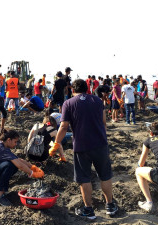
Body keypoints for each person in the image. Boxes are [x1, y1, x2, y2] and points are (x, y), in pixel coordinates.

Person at [49, 79, 118, 219]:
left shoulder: (68, 103)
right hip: (100, 144)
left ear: (72, 90)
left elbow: (63, 126)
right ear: (87, 89)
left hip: (81, 145)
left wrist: (56, 143)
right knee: (105, 175)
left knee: (84, 178)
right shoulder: (98, 101)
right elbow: (104, 123)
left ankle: (89, 210)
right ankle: (110, 205)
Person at [0, 130, 44, 206]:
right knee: (9, 165)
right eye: (15, 142)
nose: (16, 144)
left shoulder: (2, 146)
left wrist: (33, 167)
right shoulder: (2, 149)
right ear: (9, 140)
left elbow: (18, 160)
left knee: (12, 164)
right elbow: (20, 165)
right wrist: (33, 173)